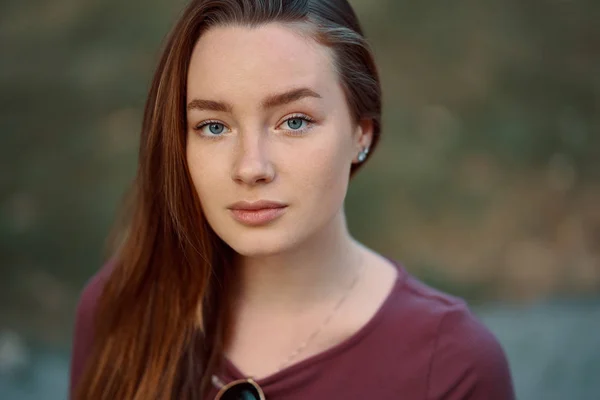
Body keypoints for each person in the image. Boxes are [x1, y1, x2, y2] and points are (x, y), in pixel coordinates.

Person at [69, 0, 515, 399]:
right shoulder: (120, 308)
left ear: (361, 131)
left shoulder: (452, 366)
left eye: (294, 121)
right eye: (214, 126)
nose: (250, 167)